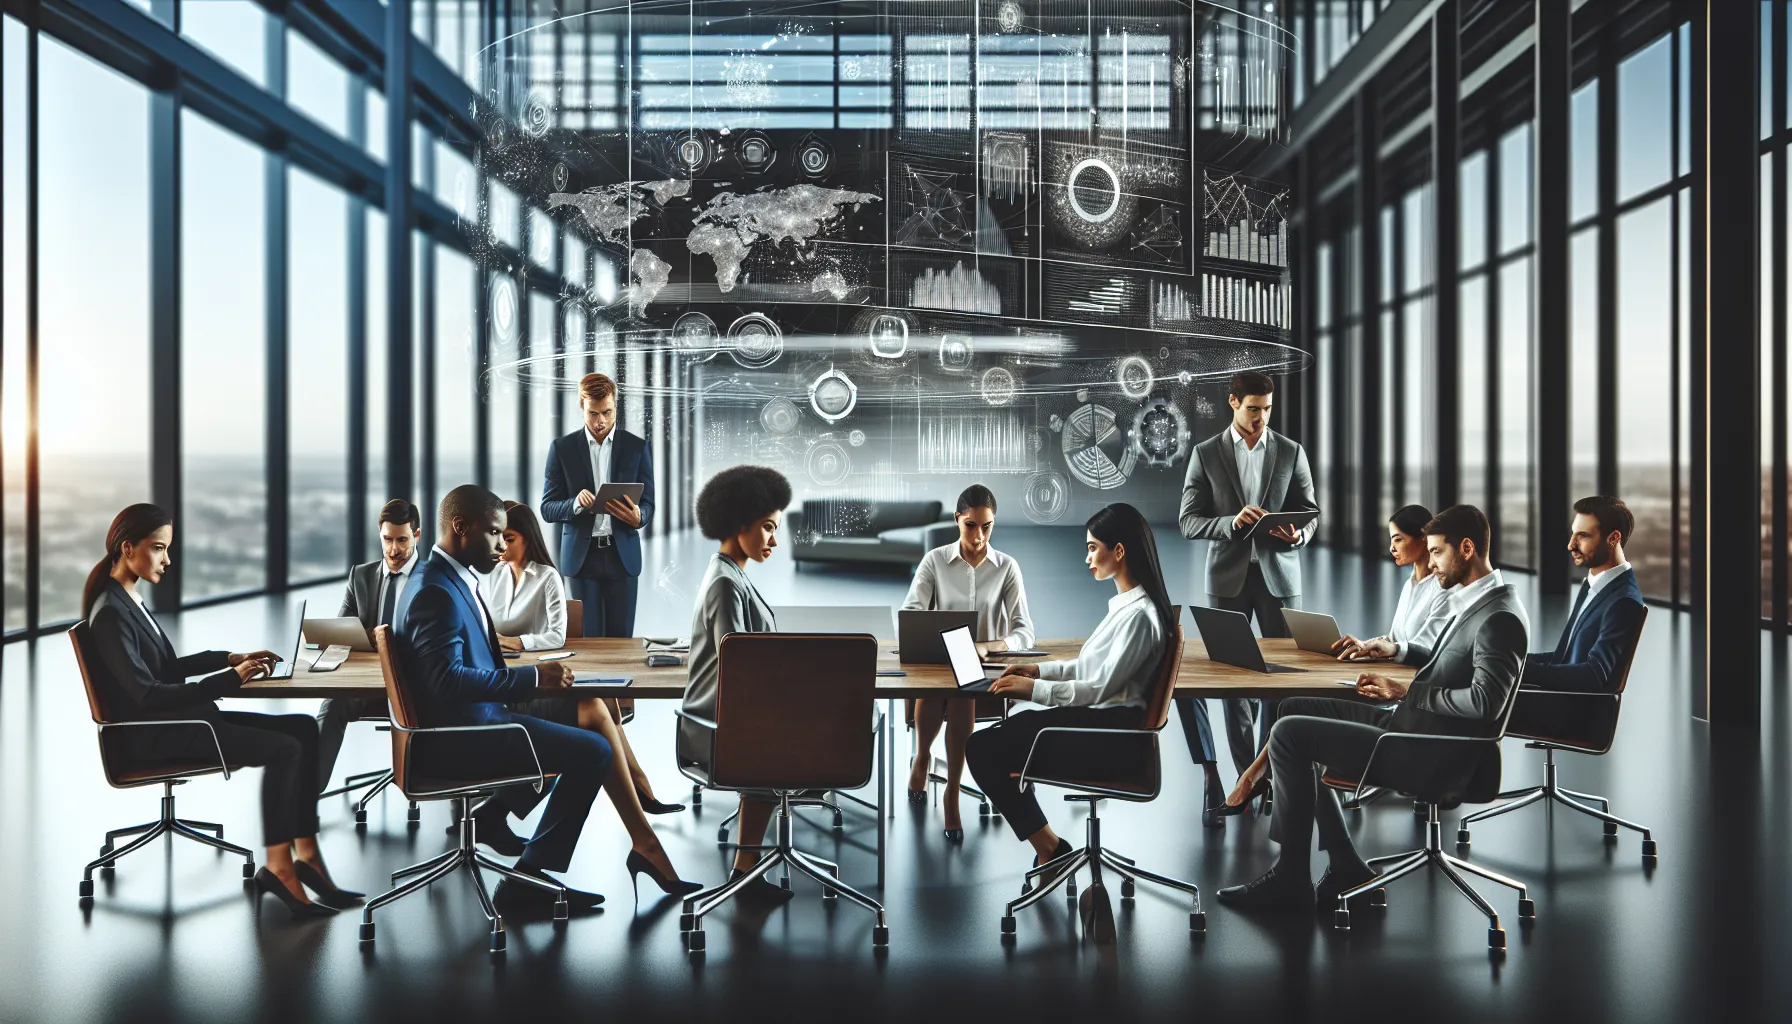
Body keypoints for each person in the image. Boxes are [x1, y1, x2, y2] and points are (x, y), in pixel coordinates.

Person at [392, 485, 695, 914]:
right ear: (461, 527)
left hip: (476, 717)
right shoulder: (434, 592)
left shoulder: (444, 578)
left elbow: (461, 670)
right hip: (461, 735)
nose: (501, 544)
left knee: (588, 711)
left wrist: (533, 679)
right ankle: (529, 879)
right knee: (594, 751)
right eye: (495, 533)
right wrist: (533, 676)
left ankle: (626, 841)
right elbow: (447, 682)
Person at [1215, 505, 1527, 914]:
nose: (1430, 563)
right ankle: (1346, 863)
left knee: (1291, 736)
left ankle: (1290, 878)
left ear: (1466, 549)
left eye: (1436, 552)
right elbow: (1443, 664)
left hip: (1425, 747)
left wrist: (1407, 692)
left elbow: (1487, 704)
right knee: (1295, 707)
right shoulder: (1476, 601)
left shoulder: (1498, 617)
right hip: (1411, 724)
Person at [83, 504, 358, 918]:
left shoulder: (127, 599)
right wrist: (233, 680)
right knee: (285, 750)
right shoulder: (109, 614)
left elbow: (169, 668)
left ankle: (307, 855)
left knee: (304, 727)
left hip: (185, 722)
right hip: (158, 736)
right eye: (159, 548)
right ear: (127, 547)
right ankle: (280, 869)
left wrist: (232, 658)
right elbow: (149, 696)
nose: (167, 559)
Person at [965, 503, 1171, 900]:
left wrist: (1034, 693)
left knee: (983, 747)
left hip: (1109, 737)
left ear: (1120, 551)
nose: (1088, 557)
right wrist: (1038, 672)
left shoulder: (1141, 617)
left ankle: (1051, 849)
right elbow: (1090, 665)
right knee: (998, 741)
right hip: (1095, 724)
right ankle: (1050, 847)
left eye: (1094, 548)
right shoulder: (1127, 606)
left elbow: (1099, 687)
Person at [1175, 370, 1318, 826]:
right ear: (1233, 403)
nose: (1261, 418)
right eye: (1253, 408)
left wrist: (1298, 535)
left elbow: (1312, 513)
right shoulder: (1205, 454)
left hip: (1279, 579)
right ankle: (1244, 780)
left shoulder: (1291, 452)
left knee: (1280, 684)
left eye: (1267, 410)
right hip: (1228, 579)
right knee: (1234, 684)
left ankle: (1270, 774)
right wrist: (1230, 523)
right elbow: (1188, 520)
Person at [482, 499, 682, 814]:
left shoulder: (546, 576)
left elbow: (556, 636)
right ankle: (642, 791)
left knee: (603, 708)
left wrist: (519, 643)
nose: (502, 547)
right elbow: (483, 628)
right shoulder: (492, 576)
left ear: (527, 538)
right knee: (601, 712)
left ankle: (641, 792)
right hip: (505, 681)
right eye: (499, 539)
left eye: (510, 539)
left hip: (537, 675)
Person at [901, 484, 1037, 841]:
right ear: (957, 520)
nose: (979, 536)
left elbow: (1025, 631)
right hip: (940, 660)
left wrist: (989, 646)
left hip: (985, 671)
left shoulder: (1007, 567)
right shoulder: (935, 561)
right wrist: (937, 637)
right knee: (942, 686)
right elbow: (912, 612)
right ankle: (922, 756)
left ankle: (951, 792)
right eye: (971, 525)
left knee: (963, 691)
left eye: (987, 526)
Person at [679, 465, 789, 904]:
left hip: (727, 719)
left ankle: (746, 870)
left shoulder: (730, 573)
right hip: (717, 728)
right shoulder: (726, 584)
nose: (773, 541)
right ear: (740, 521)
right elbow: (739, 664)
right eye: (767, 528)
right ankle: (745, 873)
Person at [316, 498, 421, 790]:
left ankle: (458, 799)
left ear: (417, 535)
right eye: (387, 539)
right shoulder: (361, 577)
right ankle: (305, 800)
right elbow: (340, 632)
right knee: (333, 705)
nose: (394, 549)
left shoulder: (433, 579)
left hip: (417, 689)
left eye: (402, 539)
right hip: (371, 686)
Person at [540, 372, 654, 640]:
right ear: (582, 406)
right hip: (582, 558)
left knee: (622, 640)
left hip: (622, 557)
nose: (600, 421)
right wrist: (575, 504)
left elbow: (648, 503)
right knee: (588, 642)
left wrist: (639, 517)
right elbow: (547, 508)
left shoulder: (637, 448)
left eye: (607, 412)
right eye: (593, 413)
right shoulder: (562, 449)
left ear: (615, 407)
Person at [1521, 496, 1646, 693]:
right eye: (1573, 534)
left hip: (1571, 711)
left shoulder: (1624, 601)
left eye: (1583, 535)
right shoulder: (1593, 584)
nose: (1571, 545)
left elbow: (1593, 675)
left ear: (1613, 538)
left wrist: (1522, 671)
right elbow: (1564, 657)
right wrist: (1513, 662)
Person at [1330, 504, 1453, 664]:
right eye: (1391, 540)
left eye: (1398, 540)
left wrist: (1389, 648)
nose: (1391, 548)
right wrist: (1362, 645)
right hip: (1397, 671)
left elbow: (1430, 649)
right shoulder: (1410, 584)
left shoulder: (1444, 587)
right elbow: (1394, 640)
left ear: (1424, 538)